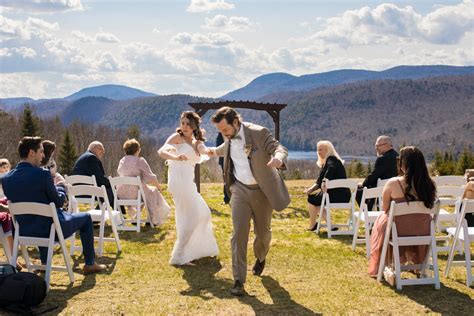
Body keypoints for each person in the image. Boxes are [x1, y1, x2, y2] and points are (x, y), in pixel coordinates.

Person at [210, 106, 290, 296]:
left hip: (262, 191)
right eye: (220, 131)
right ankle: (238, 280)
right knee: (238, 234)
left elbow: (279, 148)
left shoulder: (258, 132)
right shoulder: (228, 139)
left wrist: (278, 158)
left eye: (225, 130)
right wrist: (207, 151)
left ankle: (261, 257)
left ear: (236, 122)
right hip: (239, 190)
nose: (223, 134)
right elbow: (221, 150)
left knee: (263, 234)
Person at [2, 137, 106, 275]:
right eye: (41, 151)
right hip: (51, 230)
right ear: (32, 153)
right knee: (86, 217)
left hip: (23, 231)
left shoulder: (6, 178)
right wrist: (61, 187)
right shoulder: (43, 174)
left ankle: (45, 263)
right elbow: (58, 202)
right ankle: (90, 263)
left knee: (41, 219)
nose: (43, 156)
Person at [158, 111, 218, 266]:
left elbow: (204, 150)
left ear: (194, 126)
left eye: (187, 124)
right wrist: (175, 157)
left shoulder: (196, 142)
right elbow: (162, 151)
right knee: (193, 215)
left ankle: (192, 251)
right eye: (182, 123)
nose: (184, 126)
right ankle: (178, 255)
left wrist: (212, 151)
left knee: (202, 213)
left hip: (188, 183)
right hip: (178, 182)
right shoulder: (177, 137)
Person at [368, 146, 437, 277]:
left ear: (403, 163)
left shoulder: (393, 183)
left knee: (382, 222)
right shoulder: (429, 184)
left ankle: (386, 264)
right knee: (409, 221)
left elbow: (385, 208)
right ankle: (417, 265)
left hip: (398, 231)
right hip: (422, 230)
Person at [117, 138, 170, 226]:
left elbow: (120, 173)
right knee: (153, 191)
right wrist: (158, 186)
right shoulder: (139, 161)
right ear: (137, 150)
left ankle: (136, 217)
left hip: (122, 193)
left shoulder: (122, 161)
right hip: (135, 193)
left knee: (144, 191)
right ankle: (152, 219)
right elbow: (151, 176)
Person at [304, 140, 351, 231]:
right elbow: (318, 183)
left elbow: (331, 168)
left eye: (321, 150)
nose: (318, 152)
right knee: (316, 200)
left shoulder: (331, 160)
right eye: (318, 150)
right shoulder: (327, 163)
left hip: (336, 195)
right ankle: (331, 225)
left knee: (312, 200)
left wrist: (325, 180)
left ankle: (313, 225)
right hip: (343, 196)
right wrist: (310, 190)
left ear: (328, 150)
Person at [356, 136, 398, 212]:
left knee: (359, 192)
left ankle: (368, 217)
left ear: (386, 145)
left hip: (382, 193)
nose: (376, 148)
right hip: (396, 193)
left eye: (378, 145)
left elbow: (374, 176)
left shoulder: (382, 159)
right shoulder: (398, 157)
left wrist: (363, 184)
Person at [72, 141, 115, 207]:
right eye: (101, 150)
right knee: (112, 191)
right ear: (94, 148)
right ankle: (120, 214)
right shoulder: (91, 158)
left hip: (77, 191)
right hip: (88, 192)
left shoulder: (83, 157)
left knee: (109, 192)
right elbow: (100, 179)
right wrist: (112, 183)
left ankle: (100, 212)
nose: (103, 153)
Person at [216, 133, 230, 204]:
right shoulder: (220, 136)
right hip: (223, 161)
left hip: (233, 160)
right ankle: (226, 199)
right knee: (226, 180)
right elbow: (218, 148)